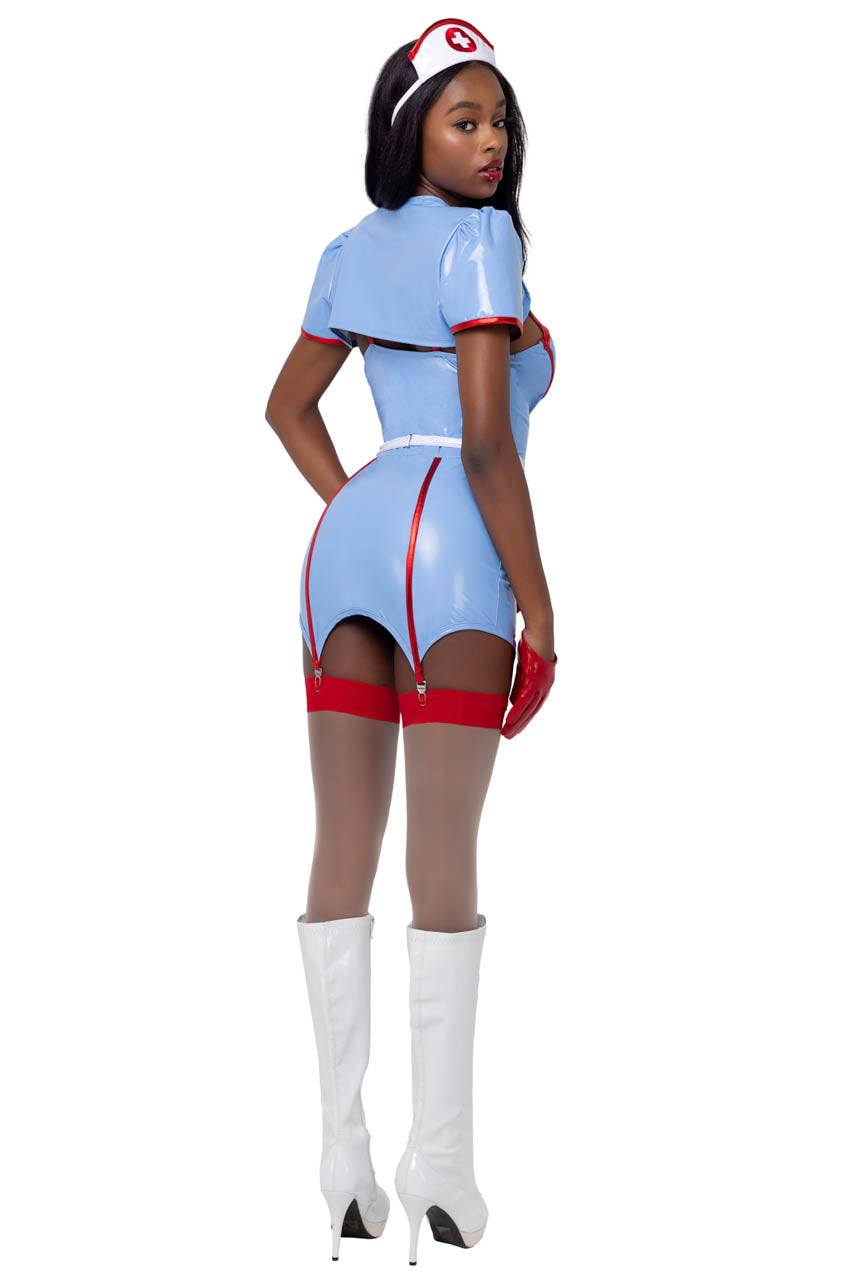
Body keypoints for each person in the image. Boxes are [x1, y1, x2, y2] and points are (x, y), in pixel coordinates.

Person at [265, 18, 558, 1264]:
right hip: (454, 561)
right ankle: (438, 1165)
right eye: (463, 118)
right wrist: (540, 606)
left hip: (347, 542)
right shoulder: (482, 245)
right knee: (443, 856)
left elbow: (287, 405)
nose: (491, 142)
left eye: (500, 121)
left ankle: (341, 1161)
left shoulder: (347, 249)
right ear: (409, 131)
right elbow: (486, 441)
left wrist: (356, 504)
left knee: (340, 845)